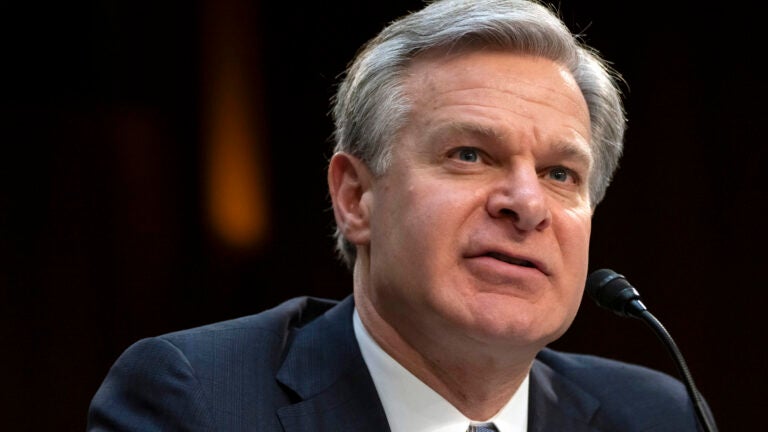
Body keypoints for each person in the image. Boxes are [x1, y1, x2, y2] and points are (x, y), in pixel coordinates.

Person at [87, 0, 717, 431]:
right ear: (356, 198)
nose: (526, 205)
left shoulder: (657, 415)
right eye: (470, 154)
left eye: (560, 174)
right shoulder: (198, 401)